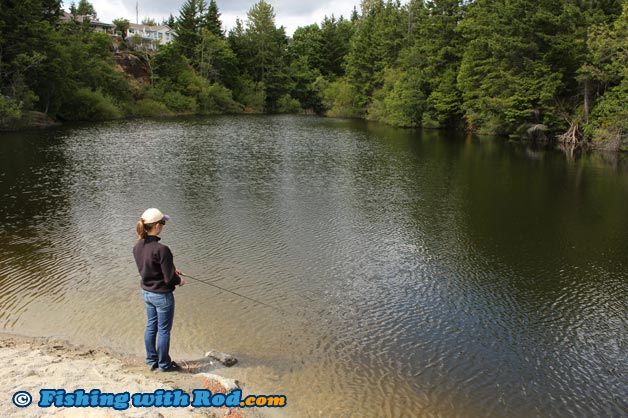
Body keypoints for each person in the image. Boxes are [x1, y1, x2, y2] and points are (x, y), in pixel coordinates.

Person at [133, 208, 185, 372]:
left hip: (147, 293)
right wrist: (179, 280)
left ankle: (151, 360)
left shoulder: (137, 246)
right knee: (163, 331)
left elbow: (150, 268)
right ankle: (164, 364)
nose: (163, 225)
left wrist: (171, 271)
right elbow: (169, 278)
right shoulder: (162, 249)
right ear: (156, 226)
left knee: (151, 326)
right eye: (162, 223)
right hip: (162, 295)